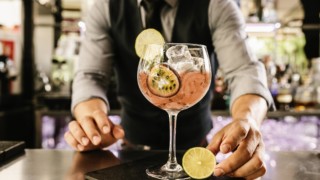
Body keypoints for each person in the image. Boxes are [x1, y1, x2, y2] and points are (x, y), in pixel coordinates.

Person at [64, 0, 274, 179]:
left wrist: (247, 119)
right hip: (129, 148)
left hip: (195, 151)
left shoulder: (216, 4)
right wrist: (92, 120)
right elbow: (90, 75)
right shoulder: (106, 6)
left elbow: (244, 70)